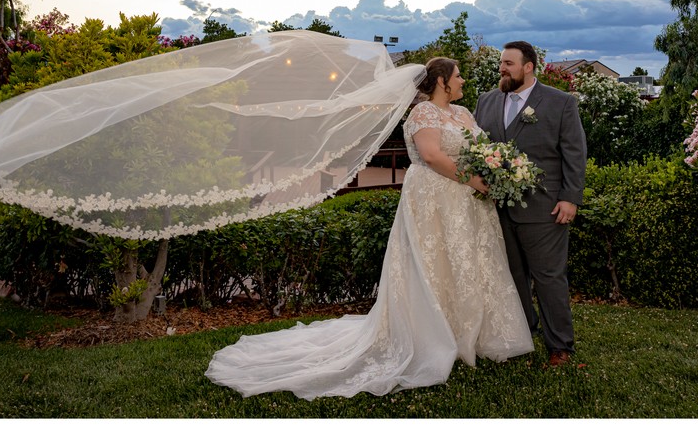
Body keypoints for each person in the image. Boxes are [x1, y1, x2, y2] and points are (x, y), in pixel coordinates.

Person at [205, 57, 533, 399]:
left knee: (466, 265)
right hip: (434, 201)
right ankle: (433, 335)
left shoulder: (463, 114)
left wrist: (495, 170)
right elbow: (432, 156)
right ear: (441, 82)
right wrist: (475, 180)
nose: (463, 80)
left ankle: (471, 332)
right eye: (458, 75)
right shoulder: (423, 114)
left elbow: (477, 149)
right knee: (433, 266)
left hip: (466, 203)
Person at [474, 41, 587, 368]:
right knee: (511, 277)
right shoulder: (487, 101)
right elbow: (479, 147)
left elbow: (575, 154)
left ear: (529, 67)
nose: (502, 69)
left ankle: (559, 346)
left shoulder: (560, 102)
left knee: (549, 279)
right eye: (501, 63)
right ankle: (523, 336)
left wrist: (570, 197)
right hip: (496, 208)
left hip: (544, 209)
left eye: (508, 63)